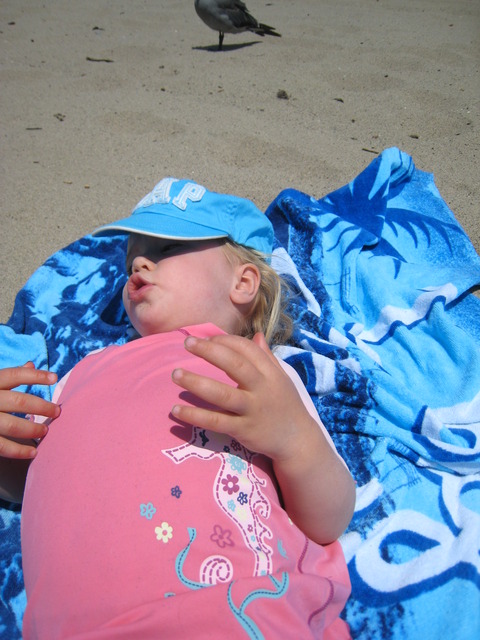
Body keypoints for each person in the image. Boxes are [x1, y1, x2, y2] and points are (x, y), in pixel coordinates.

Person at [0, 178, 355, 638]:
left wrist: (293, 439)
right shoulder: (80, 372)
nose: (138, 263)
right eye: (131, 259)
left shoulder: (255, 371)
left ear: (243, 282)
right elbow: (29, 484)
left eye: (167, 248)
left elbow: (330, 518)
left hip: (227, 612)